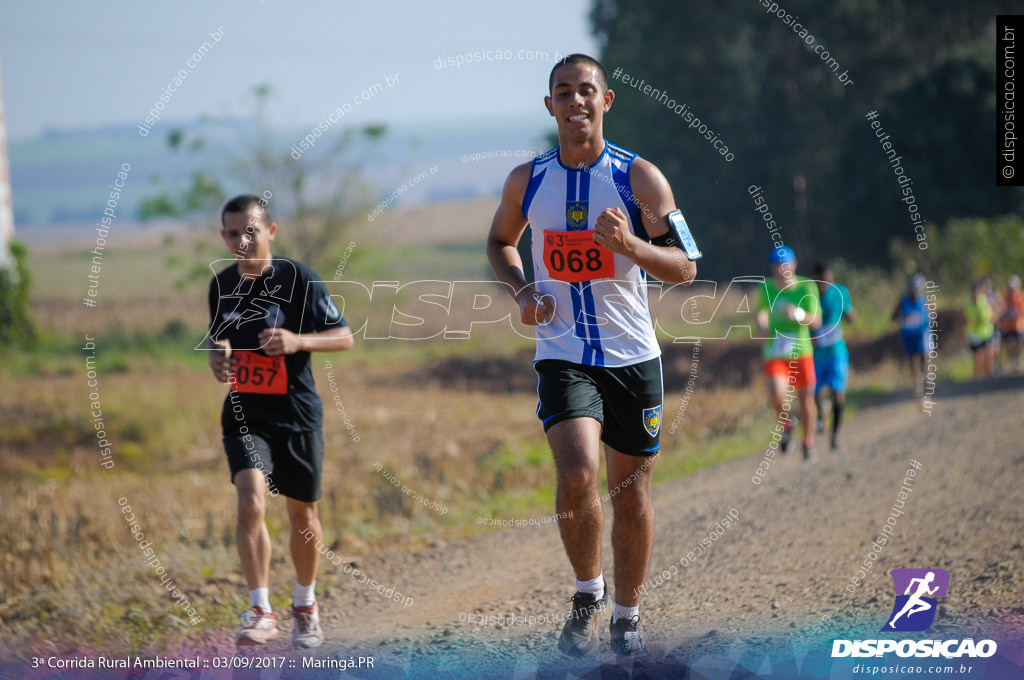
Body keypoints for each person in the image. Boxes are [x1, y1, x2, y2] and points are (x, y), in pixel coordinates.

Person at [486, 54, 697, 657]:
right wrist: (523, 290)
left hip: (633, 355)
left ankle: (627, 615)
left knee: (630, 492)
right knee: (577, 472)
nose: (575, 101)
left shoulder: (641, 179)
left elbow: (685, 267)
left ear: (606, 101)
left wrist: (629, 243)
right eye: (563, 92)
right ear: (549, 106)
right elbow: (501, 241)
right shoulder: (527, 179)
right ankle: (588, 590)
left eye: (586, 91)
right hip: (562, 352)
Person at [206, 194, 354, 649]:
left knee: (302, 514)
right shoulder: (220, 285)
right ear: (224, 237)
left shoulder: (300, 280)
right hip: (246, 413)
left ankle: (305, 604)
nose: (241, 241)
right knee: (251, 502)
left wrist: (297, 341)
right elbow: (220, 342)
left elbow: (344, 337)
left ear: (270, 231)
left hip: (297, 415)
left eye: (250, 230)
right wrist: (218, 358)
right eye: (232, 233)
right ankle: (260, 609)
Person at [756, 246, 821, 461]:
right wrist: (762, 323)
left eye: (785, 264)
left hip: (801, 352)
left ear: (794, 264)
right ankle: (787, 424)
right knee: (776, 392)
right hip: (775, 351)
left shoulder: (806, 286)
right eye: (777, 265)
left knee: (805, 400)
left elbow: (817, 321)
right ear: (772, 267)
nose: (782, 269)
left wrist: (798, 314)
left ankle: (808, 442)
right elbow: (762, 312)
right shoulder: (766, 287)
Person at [811, 264, 856, 451]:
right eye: (822, 281)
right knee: (813, 393)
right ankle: (821, 411)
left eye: (829, 280)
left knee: (838, 393)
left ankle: (835, 436)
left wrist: (850, 315)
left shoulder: (840, 292)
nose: (825, 285)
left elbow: (851, 315)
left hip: (837, 352)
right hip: (814, 355)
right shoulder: (808, 296)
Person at [892, 274, 929, 396]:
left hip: (922, 333)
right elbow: (893, 317)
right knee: (913, 359)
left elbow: (932, 315)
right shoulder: (903, 301)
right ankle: (917, 382)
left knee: (925, 357)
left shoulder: (925, 300)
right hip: (908, 335)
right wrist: (903, 316)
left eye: (916, 289)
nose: (914, 292)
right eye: (912, 289)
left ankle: (926, 382)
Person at [965, 279, 996, 379]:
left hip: (987, 331)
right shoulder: (969, 304)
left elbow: (995, 307)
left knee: (989, 353)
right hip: (975, 334)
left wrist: (993, 317)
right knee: (978, 356)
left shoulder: (985, 299)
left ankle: (989, 373)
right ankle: (979, 376)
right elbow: (968, 320)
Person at [999, 274, 1024, 370]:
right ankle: (1009, 359)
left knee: (1019, 343)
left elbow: (1021, 311)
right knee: (1006, 343)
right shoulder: (1005, 297)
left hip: (1017, 326)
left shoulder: (1020, 297)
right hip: (1007, 326)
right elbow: (1002, 310)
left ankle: (1018, 359)